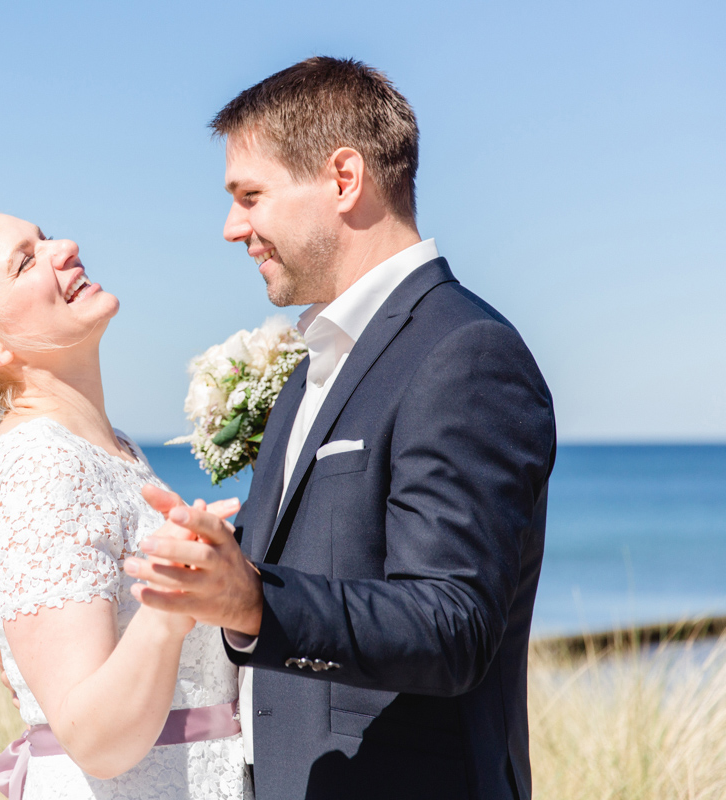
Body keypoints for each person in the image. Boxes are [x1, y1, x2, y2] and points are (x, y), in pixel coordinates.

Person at [124, 57, 556, 799]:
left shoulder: (465, 353)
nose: (233, 228)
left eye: (250, 195)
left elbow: (453, 623)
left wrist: (255, 598)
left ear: (344, 179)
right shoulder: (311, 366)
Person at [0, 209, 252, 800]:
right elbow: (94, 735)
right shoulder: (37, 470)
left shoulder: (113, 450)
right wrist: (173, 600)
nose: (66, 247)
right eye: (26, 260)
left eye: (47, 235)